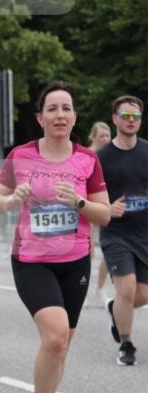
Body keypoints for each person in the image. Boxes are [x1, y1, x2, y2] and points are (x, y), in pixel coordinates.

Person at [0, 81, 110, 393]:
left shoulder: (87, 159)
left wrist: (81, 201)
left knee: (62, 344)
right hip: (32, 262)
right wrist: (11, 199)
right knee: (55, 338)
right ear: (40, 118)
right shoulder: (20, 156)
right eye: (52, 109)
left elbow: (104, 213)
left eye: (66, 108)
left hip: (75, 263)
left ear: (74, 117)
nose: (60, 115)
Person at [96, 95, 147, 366]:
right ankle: (126, 344)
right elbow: (89, 194)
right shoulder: (101, 158)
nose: (130, 121)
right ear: (115, 118)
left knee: (142, 295)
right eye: (125, 116)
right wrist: (105, 208)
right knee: (126, 289)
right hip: (116, 233)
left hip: (145, 232)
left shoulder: (147, 151)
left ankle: (114, 309)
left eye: (135, 117)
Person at [86, 122, 113, 306]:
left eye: (107, 135)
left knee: (110, 249)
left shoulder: (113, 155)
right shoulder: (86, 155)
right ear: (92, 136)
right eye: (101, 135)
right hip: (87, 206)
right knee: (87, 251)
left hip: (106, 207)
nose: (105, 139)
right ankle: (83, 288)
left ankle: (100, 289)